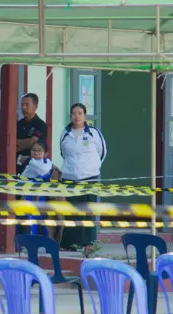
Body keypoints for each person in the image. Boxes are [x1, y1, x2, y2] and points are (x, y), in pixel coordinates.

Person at [59, 103, 107, 254]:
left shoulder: (93, 132)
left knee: (89, 210)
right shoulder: (65, 133)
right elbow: (63, 153)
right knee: (72, 211)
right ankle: (69, 243)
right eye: (74, 113)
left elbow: (102, 152)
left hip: (89, 177)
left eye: (80, 113)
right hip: (70, 178)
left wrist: (91, 167)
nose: (76, 116)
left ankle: (89, 243)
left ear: (85, 115)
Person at [16, 93, 48, 174]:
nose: (23, 107)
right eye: (22, 105)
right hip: (17, 165)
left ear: (35, 106)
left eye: (27, 105)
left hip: (35, 167)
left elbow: (32, 143)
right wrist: (24, 142)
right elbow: (10, 144)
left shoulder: (41, 125)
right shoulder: (18, 124)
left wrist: (16, 142)